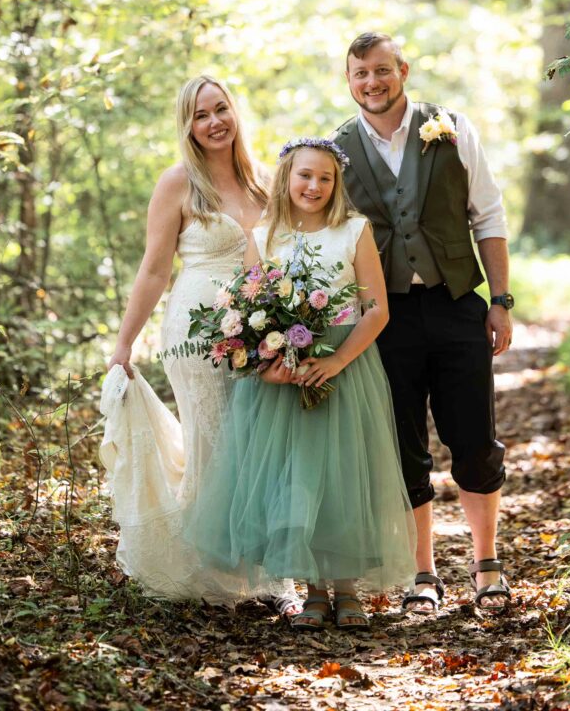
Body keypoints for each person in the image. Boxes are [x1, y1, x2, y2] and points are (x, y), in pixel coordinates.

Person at [185, 139, 416, 630]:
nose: (314, 186)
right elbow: (245, 312)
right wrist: (267, 364)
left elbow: (377, 309)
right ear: (287, 177)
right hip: (282, 378)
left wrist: (337, 362)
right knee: (297, 479)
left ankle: (348, 588)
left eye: (326, 178)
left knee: (343, 473)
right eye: (305, 176)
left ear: (337, 185)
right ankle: (313, 590)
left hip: (343, 365)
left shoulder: (354, 231)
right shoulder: (265, 234)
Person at [101, 74, 300, 614]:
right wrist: (125, 343)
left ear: (235, 112)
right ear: (187, 126)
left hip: (261, 327)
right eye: (200, 115)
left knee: (260, 444)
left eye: (220, 110)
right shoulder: (178, 184)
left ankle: (258, 571)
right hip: (195, 330)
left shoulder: (267, 181)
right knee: (214, 440)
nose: (214, 122)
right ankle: (216, 577)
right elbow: (153, 269)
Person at [332, 32, 513, 613]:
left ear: (402, 70)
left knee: (474, 440)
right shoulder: (335, 150)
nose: (372, 83)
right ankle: (423, 575)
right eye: (360, 74)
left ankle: (486, 565)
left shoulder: (452, 128)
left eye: (381, 70)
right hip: (384, 317)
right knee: (403, 446)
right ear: (349, 80)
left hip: (456, 301)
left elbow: (488, 215)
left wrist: (501, 299)